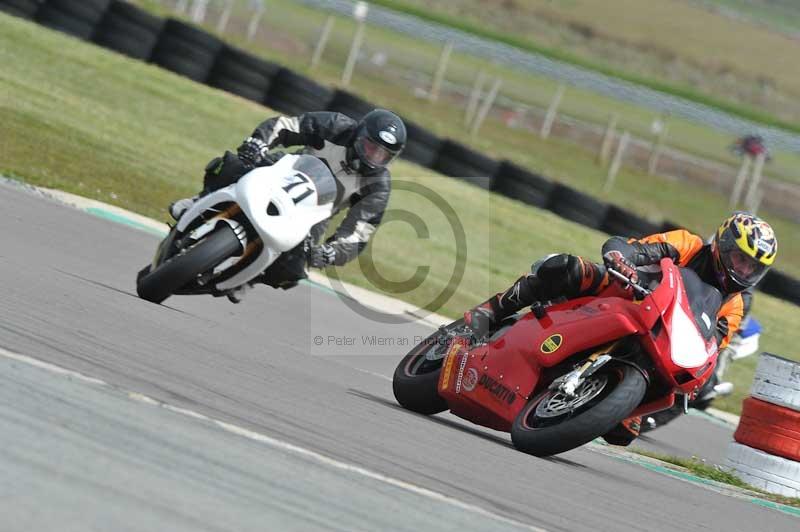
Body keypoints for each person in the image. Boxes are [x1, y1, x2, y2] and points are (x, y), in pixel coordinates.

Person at [463, 212, 777, 445]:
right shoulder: (688, 245)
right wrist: (621, 258)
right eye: (740, 258)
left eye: (752, 267)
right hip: (625, 293)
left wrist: (700, 376)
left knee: (624, 431)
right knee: (568, 269)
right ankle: (490, 312)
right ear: (722, 245)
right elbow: (638, 249)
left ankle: (590, 396)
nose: (743, 270)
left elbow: (713, 345)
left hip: (659, 343)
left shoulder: (733, 306)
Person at [169, 109, 407, 302]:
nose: (373, 156)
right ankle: (197, 202)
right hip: (283, 170)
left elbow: (359, 231)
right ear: (359, 133)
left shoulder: (378, 185)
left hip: (315, 213)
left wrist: (332, 251)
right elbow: (287, 126)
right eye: (370, 146)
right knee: (231, 165)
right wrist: (258, 143)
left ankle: (250, 278)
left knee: (295, 268)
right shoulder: (335, 126)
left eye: (382, 155)